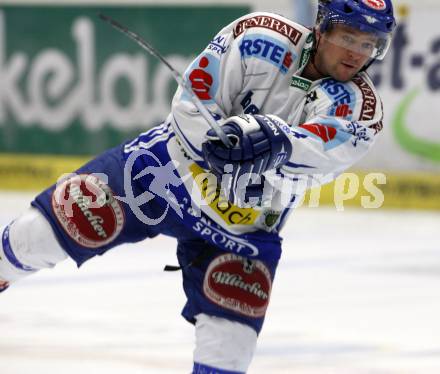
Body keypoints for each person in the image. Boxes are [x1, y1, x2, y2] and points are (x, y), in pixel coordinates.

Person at [0, 0, 396, 372]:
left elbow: (316, 160)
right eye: (348, 37)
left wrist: (269, 141)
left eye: (370, 43)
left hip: (243, 225)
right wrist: (213, 148)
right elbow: (193, 100)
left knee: (230, 349)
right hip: (162, 173)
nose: (357, 52)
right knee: (38, 235)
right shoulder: (257, 35)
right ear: (322, 26)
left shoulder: (360, 109)